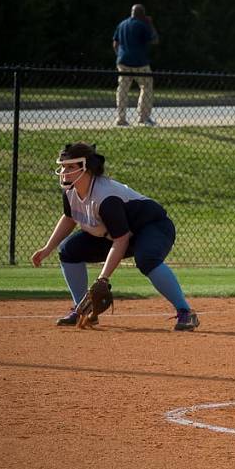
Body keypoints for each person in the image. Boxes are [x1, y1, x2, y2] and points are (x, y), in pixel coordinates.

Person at [31, 142, 199, 331]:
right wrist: (47, 248)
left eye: (70, 167)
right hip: (115, 234)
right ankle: (82, 309)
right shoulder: (71, 191)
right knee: (69, 250)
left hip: (152, 227)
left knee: (146, 259)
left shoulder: (105, 197)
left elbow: (122, 239)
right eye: (62, 166)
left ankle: (186, 312)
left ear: (86, 168)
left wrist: (103, 279)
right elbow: (70, 218)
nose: (64, 171)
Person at [113, 4, 159, 126]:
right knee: (146, 86)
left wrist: (120, 56)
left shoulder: (122, 24)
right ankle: (143, 117)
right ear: (142, 14)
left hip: (123, 62)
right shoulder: (143, 25)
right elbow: (154, 40)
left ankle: (120, 118)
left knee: (123, 89)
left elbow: (115, 44)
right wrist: (150, 23)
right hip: (140, 62)